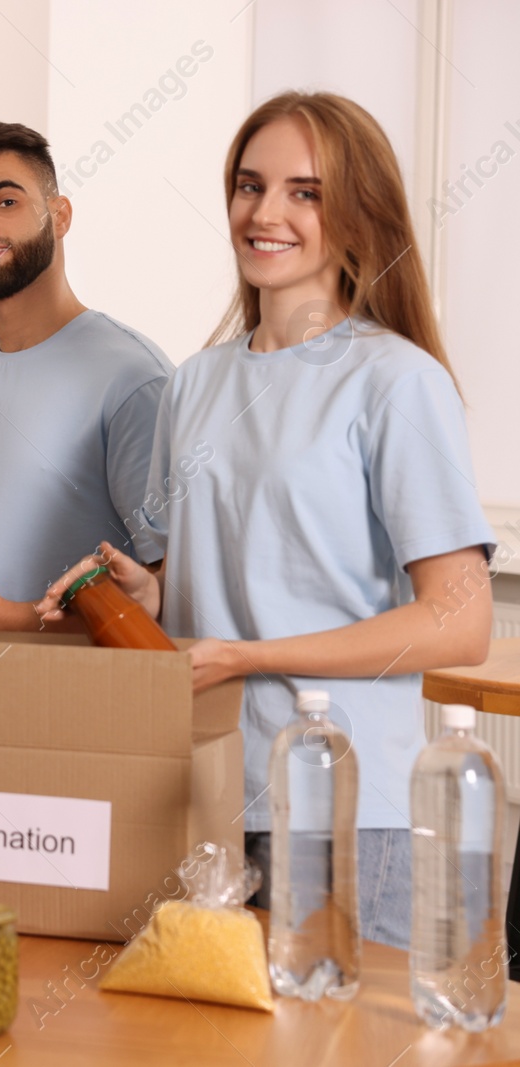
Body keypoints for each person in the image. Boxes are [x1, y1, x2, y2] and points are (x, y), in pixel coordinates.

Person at [37, 92, 492, 951]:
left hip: (345, 811)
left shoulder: (395, 382)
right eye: (250, 186)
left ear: (358, 213)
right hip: (205, 789)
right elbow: (222, 584)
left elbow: (460, 620)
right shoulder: (195, 383)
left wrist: (253, 655)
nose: (266, 213)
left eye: (305, 192)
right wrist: (151, 590)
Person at [0, 121, 172, 639]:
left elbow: (172, 592)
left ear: (60, 215)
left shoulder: (132, 379)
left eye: (6, 202)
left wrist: (13, 619)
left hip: (72, 711)